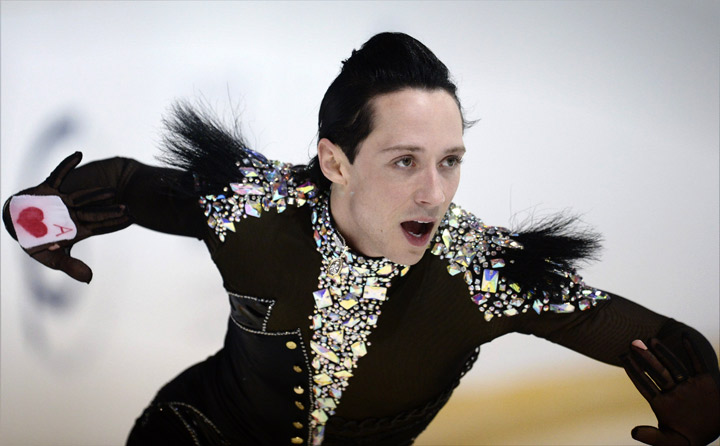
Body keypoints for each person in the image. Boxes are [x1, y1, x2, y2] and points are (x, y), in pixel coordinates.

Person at [3, 32, 719, 446]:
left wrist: (704, 405)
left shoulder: (484, 272)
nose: (435, 193)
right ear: (335, 161)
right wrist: (36, 217)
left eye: (450, 161)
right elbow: (124, 186)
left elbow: (650, 338)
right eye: (405, 161)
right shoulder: (252, 208)